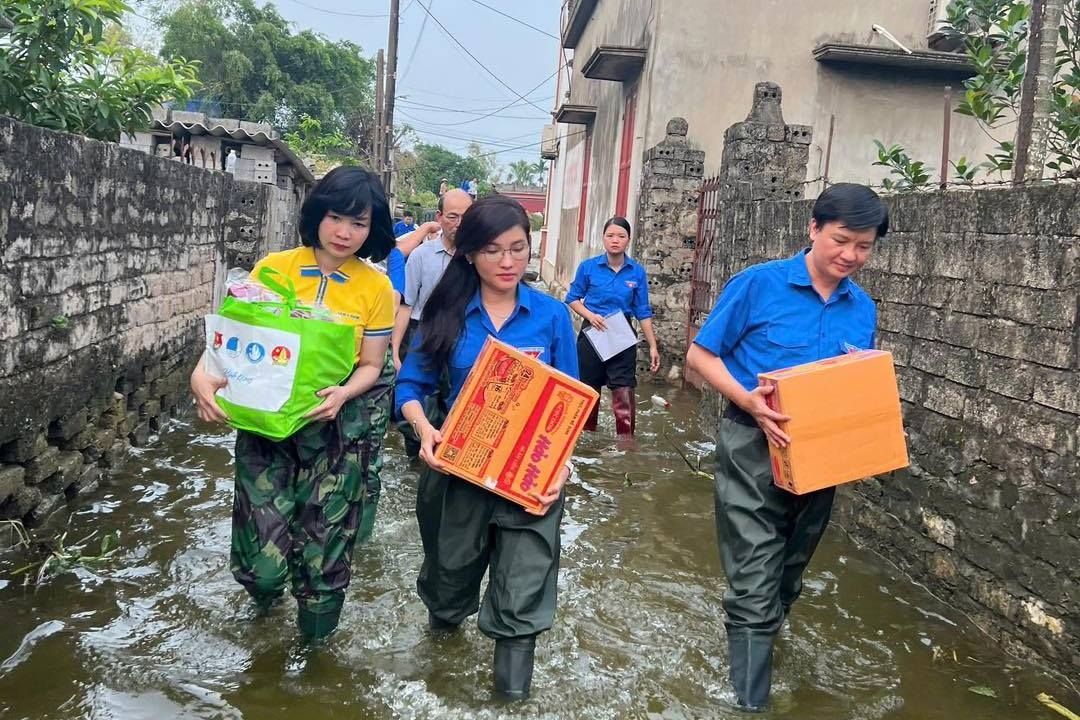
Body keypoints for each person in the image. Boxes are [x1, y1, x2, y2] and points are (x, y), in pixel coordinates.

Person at [684, 183, 887, 711]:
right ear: (813, 228)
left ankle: (753, 648)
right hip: (752, 447)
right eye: (841, 240)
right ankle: (751, 704)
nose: (850, 255)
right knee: (755, 579)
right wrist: (749, 401)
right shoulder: (759, 285)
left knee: (787, 575)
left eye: (863, 246)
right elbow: (700, 356)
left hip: (821, 458)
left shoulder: (861, 309)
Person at [190, 166, 396, 640]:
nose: (344, 232)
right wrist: (201, 374)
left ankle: (315, 651)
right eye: (336, 217)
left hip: (336, 434)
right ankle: (264, 612)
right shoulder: (274, 269)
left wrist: (344, 393)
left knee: (323, 560)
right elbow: (233, 342)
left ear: (372, 230)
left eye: (359, 224)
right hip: (266, 432)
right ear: (317, 214)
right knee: (260, 568)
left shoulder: (376, 289)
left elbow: (371, 364)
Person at [396, 195, 578, 701]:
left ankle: (510, 704)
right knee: (447, 587)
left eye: (518, 248)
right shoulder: (448, 313)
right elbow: (410, 386)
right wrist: (423, 428)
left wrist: (561, 466)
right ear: (471, 253)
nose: (507, 261)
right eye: (493, 250)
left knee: (522, 597)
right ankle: (439, 676)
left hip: (530, 481)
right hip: (457, 473)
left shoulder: (552, 316)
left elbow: (572, 402)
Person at [390, 188, 472, 457]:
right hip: (422, 332)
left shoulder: (477, 258)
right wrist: (396, 350)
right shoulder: (421, 255)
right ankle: (416, 458)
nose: (459, 223)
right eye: (452, 216)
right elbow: (407, 305)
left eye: (466, 216)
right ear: (439, 217)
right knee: (419, 400)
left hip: (463, 334)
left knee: (456, 401)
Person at [565, 217, 660, 437]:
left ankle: (626, 442)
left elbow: (643, 311)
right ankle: (587, 438)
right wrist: (591, 315)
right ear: (603, 238)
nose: (615, 240)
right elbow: (572, 298)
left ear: (628, 240)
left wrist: (653, 346)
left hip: (622, 334)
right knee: (588, 387)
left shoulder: (636, 272)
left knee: (624, 387)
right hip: (592, 333)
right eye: (610, 236)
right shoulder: (588, 267)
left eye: (621, 236)